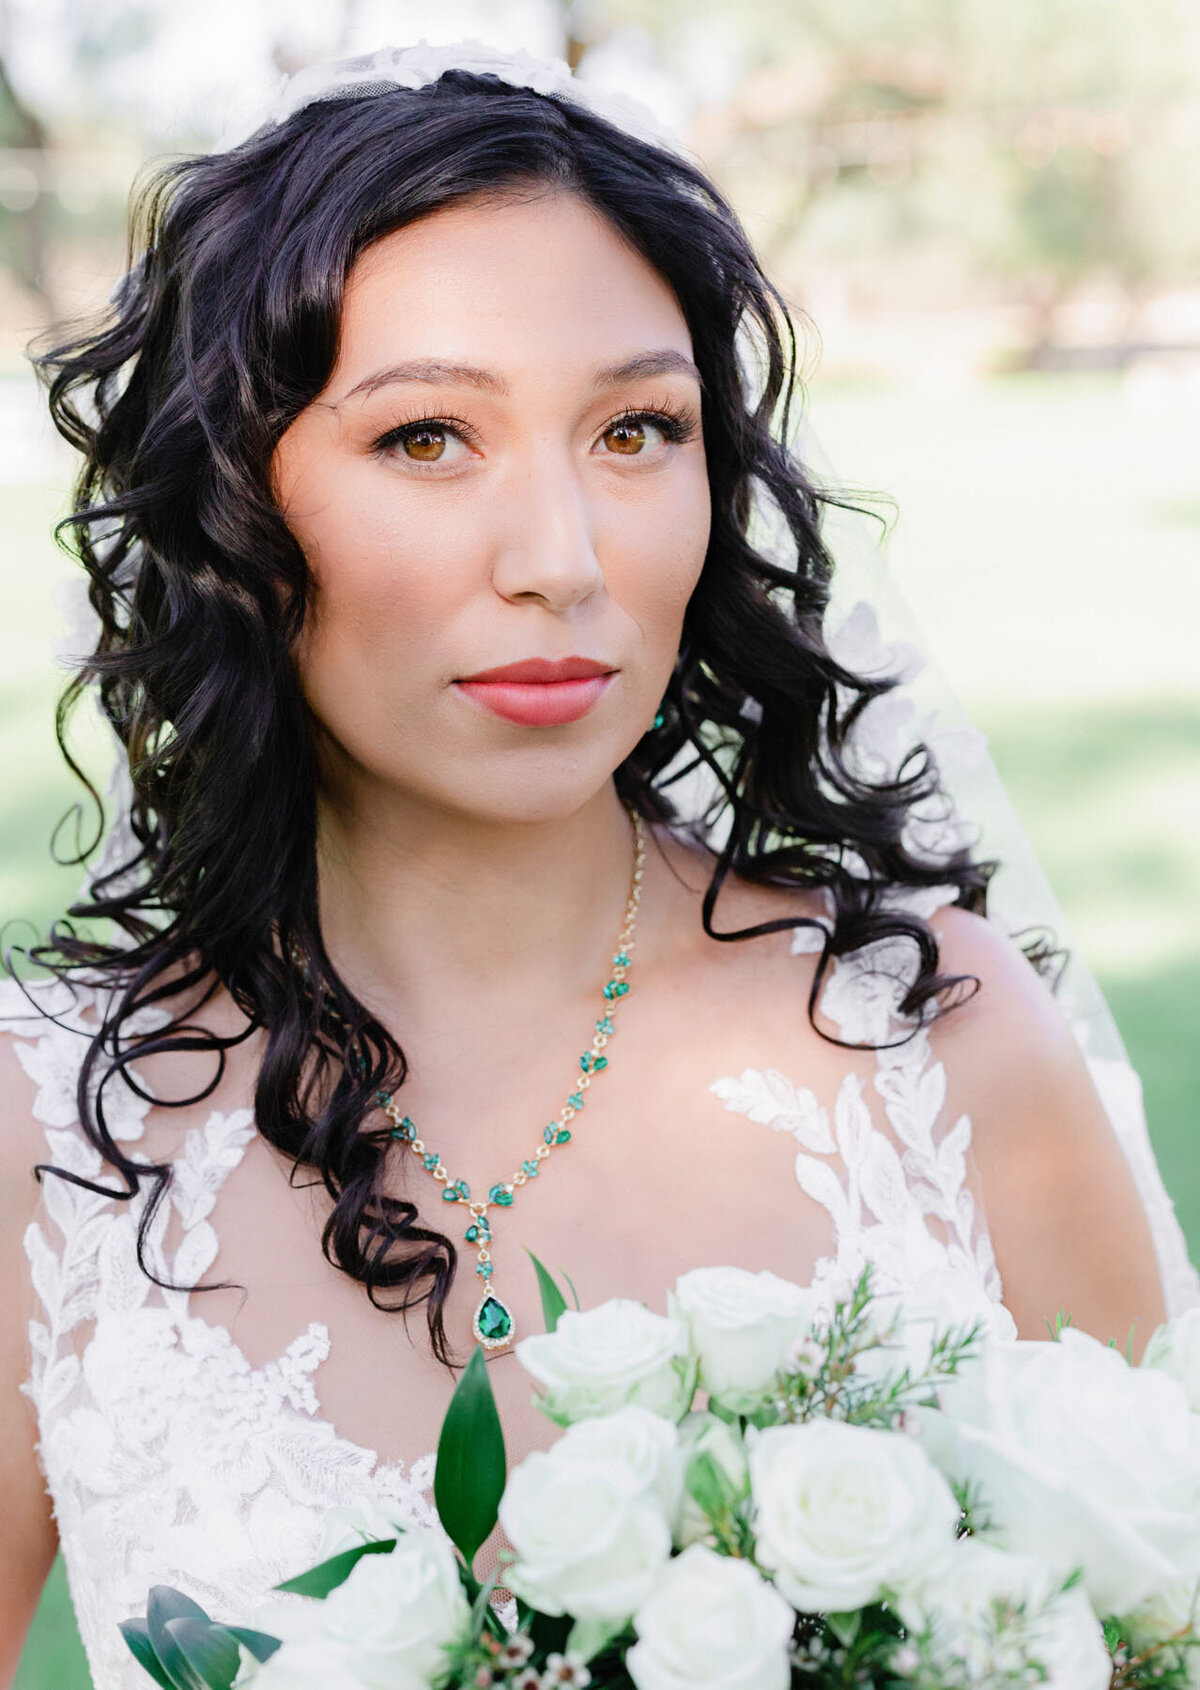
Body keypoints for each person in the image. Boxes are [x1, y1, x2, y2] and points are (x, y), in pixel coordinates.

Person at [0, 41, 1181, 1686]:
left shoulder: (947, 1047)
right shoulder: (45, 1138)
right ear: (231, 517)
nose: (565, 561)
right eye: (425, 438)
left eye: (637, 428)